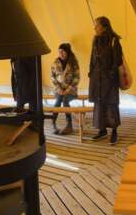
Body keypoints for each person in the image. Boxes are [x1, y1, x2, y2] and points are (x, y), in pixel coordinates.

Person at [88, 16, 123, 144]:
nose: (95, 28)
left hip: (109, 79)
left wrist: (111, 74)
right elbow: (92, 58)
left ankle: (114, 131)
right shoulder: (95, 40)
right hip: (97, 78)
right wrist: (90, 72)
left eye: (97, 25)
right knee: (99, 105)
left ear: (105, 26)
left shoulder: (114, 40)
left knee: (111, 104)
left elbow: (118, 60)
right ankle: (102, 130)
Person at [50, 43, 80, 135]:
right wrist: (58, 88)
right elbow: (52, 77)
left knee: (65, 99)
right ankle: (53, 123)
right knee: (59, 99)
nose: (61, 54)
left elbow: (77, 78)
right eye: (59, 52)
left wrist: (68, 89)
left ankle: (69, 125)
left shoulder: (73, 62)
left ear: (67, 52)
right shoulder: (55, 63)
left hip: (71, 91)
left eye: (63, 51)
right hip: (59, 90)